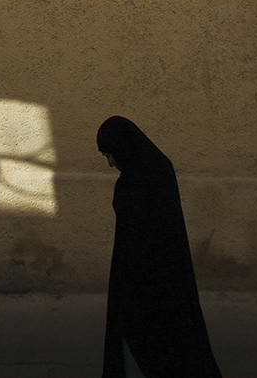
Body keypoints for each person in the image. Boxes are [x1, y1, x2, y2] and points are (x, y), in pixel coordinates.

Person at [97, 115, 222, 378]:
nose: (110, 163)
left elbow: (150, 231)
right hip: (153, 276)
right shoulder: (155, 169)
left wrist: (132, 277)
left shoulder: (144, 177)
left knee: (153, 342)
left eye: (111, 154)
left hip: (151, 279)